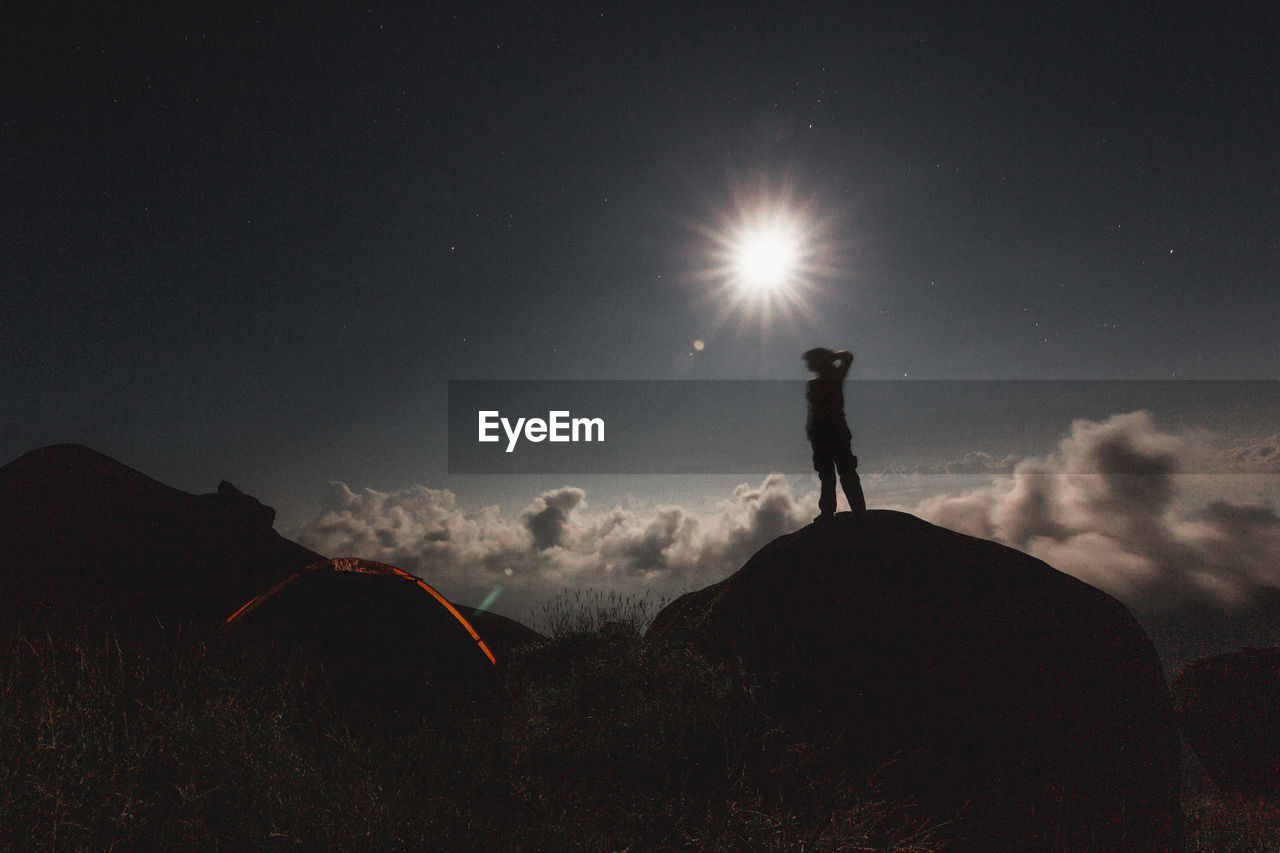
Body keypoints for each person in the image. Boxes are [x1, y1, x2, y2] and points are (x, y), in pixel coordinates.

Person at [803, 347, 867, 522]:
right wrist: (810, 427)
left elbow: (848, 356)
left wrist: (832, 356)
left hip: (834, 427)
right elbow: (813, 409)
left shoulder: (834, 376)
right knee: (828, 473)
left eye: (813, 360)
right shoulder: (815, 382)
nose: (809, 364)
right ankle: (829, 512)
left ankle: (857, 511)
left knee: (843, 470)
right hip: (822, 430)